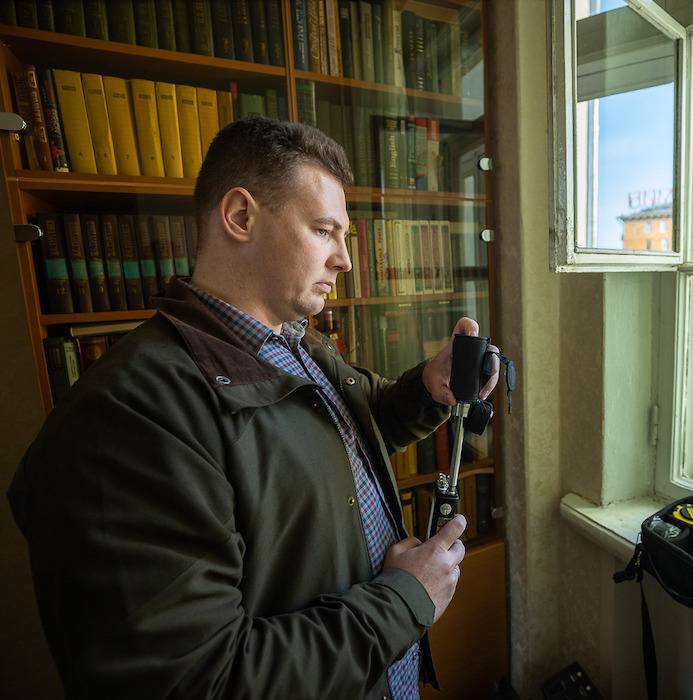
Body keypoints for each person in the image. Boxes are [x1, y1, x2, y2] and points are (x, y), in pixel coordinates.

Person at [7, 118, 499, 699]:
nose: (344, 259)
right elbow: (199, 683)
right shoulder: (125, 421)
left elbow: (344, 427)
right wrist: (404, 600)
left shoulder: (297, 343)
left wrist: (427, 387)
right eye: (324, 231)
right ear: (240, 217)